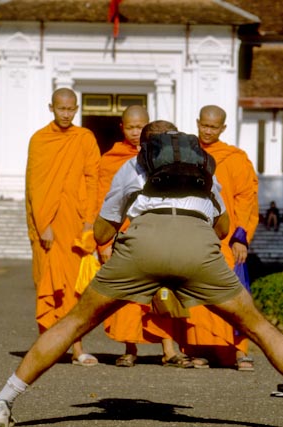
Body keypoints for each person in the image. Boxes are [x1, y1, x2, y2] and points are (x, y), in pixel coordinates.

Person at [0, 120, 283, 427]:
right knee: (259, 327)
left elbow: (103, 232)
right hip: (197, 248)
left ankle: (2, 403)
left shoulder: (132, 167)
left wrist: (116, 229)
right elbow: (223, 228)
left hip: (142, 245)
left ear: (145, 146)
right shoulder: (205, 166)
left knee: (73, 324)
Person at [98, 106, 192, 368]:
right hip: (126, 234)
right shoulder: (111, 160)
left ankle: (169, 349)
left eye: (141, 127)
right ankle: (130, 348)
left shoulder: (168, 158)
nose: (136, 132)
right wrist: (104, 242)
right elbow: (104, 201)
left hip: (160, 233)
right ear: (121, 128)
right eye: (130, 127)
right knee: (129, 294)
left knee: (164, 290)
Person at [24, 87, 101, 367]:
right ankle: (48, 346)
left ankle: (77, 348)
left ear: (77, 108)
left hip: (76, 222)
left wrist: (90, 221)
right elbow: (35, 186)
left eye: (71, 109)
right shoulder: (40, 140)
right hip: (49, 226)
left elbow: (93, 178)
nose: (66, 114)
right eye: (61, 109)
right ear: (51, 108)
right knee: (47, 283)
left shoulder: (85, 138)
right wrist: (43, 224)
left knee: (74, 290)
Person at [179, 105, 259, 371]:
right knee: (197, 293)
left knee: (231, 292)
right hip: (194, 234)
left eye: (213, 127)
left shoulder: (235, 158)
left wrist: (241, 237)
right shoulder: (187, 156)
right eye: (204, 125)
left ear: (223, 128)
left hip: (227, 237)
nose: (208, 131)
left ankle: (239, 351)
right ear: (197, 123)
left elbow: (247, 198)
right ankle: (202, 350)